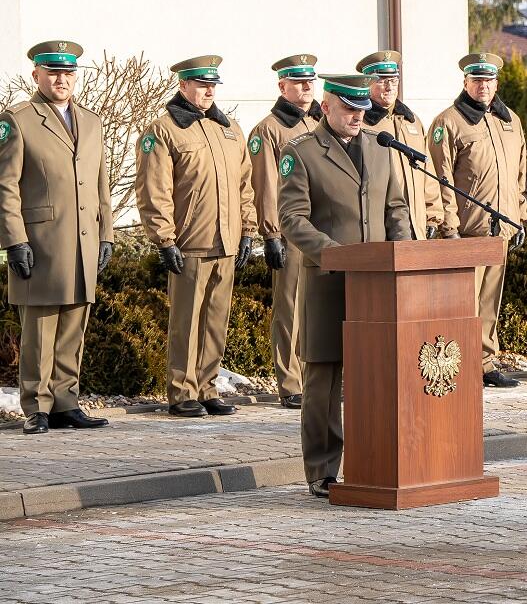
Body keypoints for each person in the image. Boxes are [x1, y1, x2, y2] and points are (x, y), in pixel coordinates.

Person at [278, 73, 413, 498]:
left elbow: (395, 208)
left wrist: (405, 256)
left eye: (362, 109)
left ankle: (377, 461)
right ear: (326, 107)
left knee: (377, 374)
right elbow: (292, 218)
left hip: (377, 285)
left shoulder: (380, 147)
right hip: (328, 282)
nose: (357, 116)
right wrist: (336, 254)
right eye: (349, 109)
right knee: (324, 379)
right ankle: (321, 470)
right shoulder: (301, 152)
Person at [0, 41, 113, 435]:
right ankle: (37, 407)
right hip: (41, 242)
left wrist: (106, 234)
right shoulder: (18, 120)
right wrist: (15, 240)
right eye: (53, 73)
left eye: (67, 73)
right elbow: (6, 186)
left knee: (73, 326)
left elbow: (101, 184)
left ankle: (66, 402)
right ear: (37, 75)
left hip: (83, 240)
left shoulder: (92, 122)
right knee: (40, 329)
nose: (61, 79)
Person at [136, 55, 255, 418]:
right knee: (186, 322)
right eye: (201, 84)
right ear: (183, 85)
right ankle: (181, 391)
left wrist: (247, 230)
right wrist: (164, 238)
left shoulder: (228, 129)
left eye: (212, 85)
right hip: (189, 242)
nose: (208, 91)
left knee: (216, 321)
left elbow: (245, 186)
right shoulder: (164, 130)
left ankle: (207, 387)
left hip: (226, 242)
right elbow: (153, 189)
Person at [427, 52, 527, 389]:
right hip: (468, 230)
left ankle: (485, 362)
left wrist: (519, 217)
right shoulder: (449, 122)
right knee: (464, 304)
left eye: (489, 80)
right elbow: (439, 178)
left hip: (500, 229)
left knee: (489, 302)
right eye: (477, 79)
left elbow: (519, 174)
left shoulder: (510, 120)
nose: (483, 86)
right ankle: (460, 363)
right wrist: (449, 226)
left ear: (496, 83)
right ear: (466, 82)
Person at [247, 54, 323, 409]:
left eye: (310, 81)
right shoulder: (269, 129)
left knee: (317, 307)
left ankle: (315, 377)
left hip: (322, 230)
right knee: (290, 308)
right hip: (291, 232)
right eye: (298, 82)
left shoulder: (321, 123)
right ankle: (290, 382)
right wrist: (271, 234)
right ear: (282, 86)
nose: (306, 87)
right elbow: (264, 185)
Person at [358, 50, 443, 239]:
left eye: (394, 80)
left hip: (416, 225)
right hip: (380, 227)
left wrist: (432, 215)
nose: (389, 87)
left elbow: (426, 169)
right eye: (382, 80)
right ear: (367, 82)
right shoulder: (359, 123)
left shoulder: (411, 121)